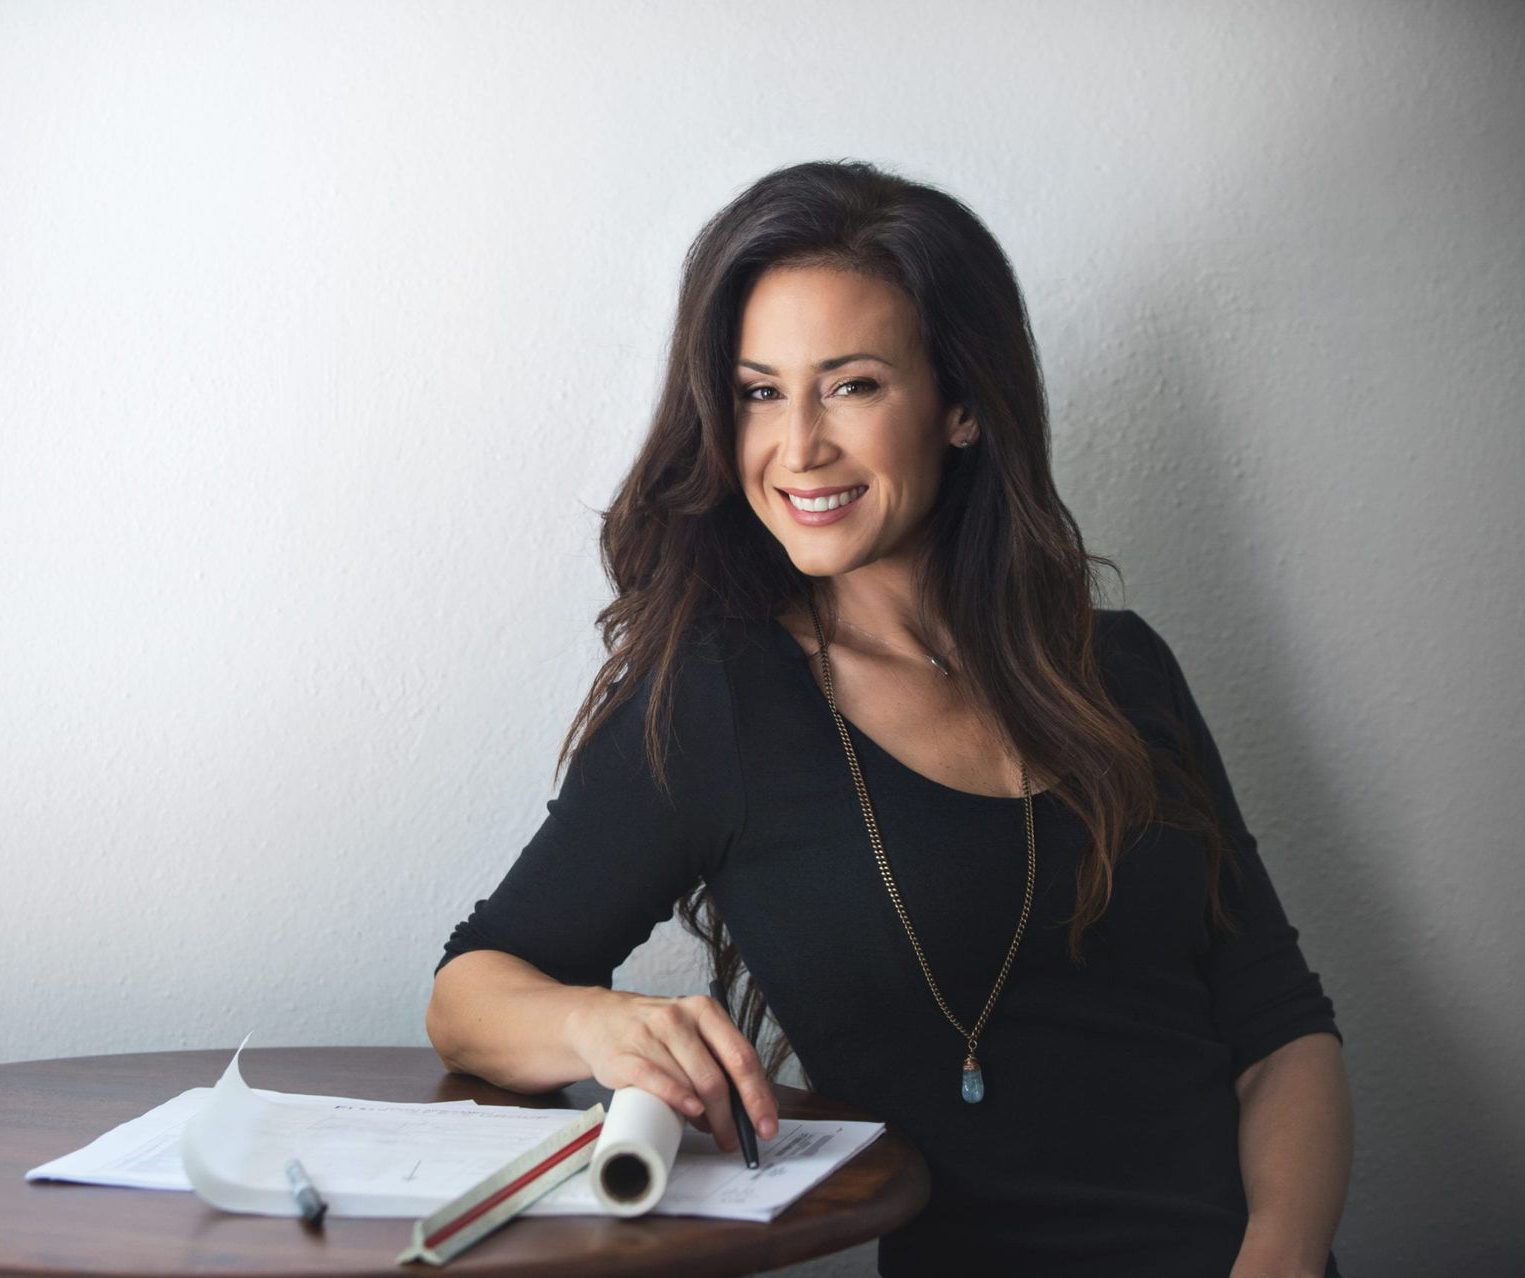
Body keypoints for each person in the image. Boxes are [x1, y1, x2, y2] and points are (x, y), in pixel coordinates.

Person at [424, 159, 1353, 1277]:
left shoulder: (1124, 669)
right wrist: (597, 1028)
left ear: (962, 405)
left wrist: (1282, 1263)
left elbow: (1278, 1030)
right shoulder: (718, 702)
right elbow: (470, 988)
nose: (799, 445)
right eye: (760, 391)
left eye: (852, 385)